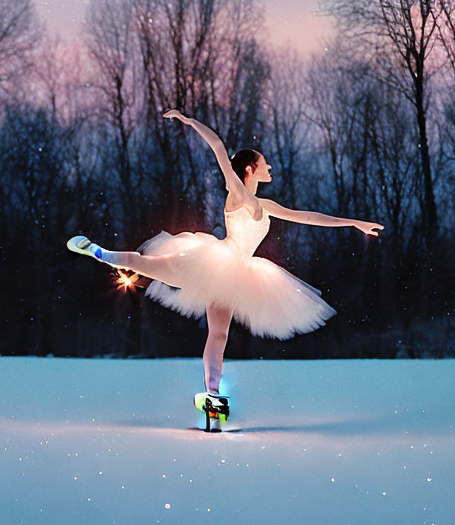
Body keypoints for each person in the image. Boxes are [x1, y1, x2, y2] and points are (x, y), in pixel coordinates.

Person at [67, 109, 383, 401]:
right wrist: (189, 121)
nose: (270, 168)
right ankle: (98, 251)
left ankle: (212, 393)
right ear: (250, 168)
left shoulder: (268, 207)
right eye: (265, 164)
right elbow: (218, 147)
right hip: (213, 262)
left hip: (238, 273)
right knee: (145, 264)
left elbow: (310, 216)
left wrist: (354, 223)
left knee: (219, 335)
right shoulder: (236, 193)